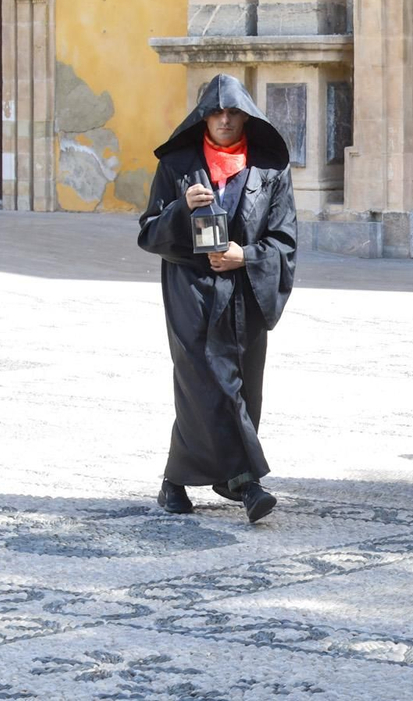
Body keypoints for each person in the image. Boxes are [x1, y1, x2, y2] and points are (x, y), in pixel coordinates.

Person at [137, 73, 297, 524]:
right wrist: (180, 209)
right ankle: (248, 483)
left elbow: (284, 239)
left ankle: (176, 480)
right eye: (216, 111)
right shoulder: (177, 166)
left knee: (241, 384)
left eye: (233, 112)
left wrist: (243, 255)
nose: (224, 120)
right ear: (203, 116)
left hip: (245, 290)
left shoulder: (269, 169)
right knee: (205, 381)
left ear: (246, 116)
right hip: (191, 288)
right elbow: (149, 233)